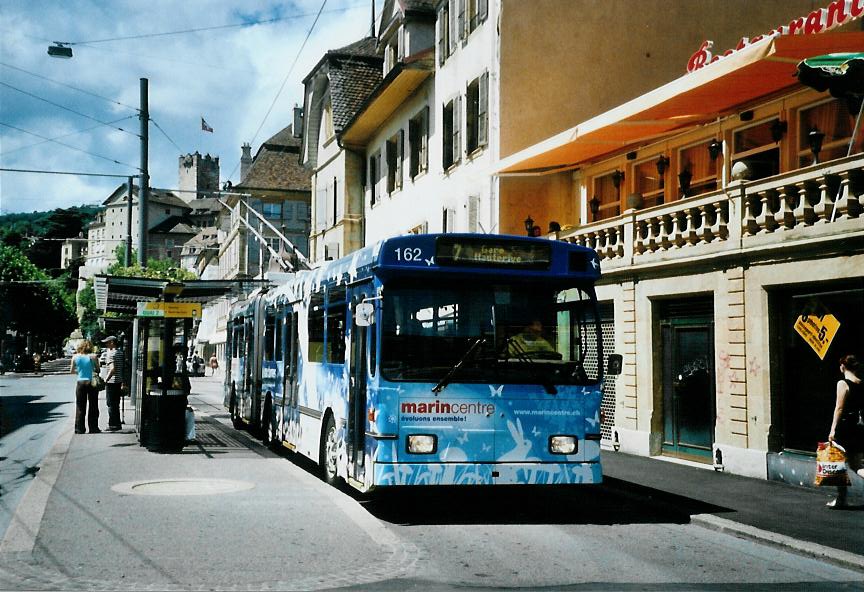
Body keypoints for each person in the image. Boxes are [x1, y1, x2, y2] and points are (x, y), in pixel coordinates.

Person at [827, 354, 864, 508]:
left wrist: (833, 429)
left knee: (838, 464)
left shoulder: (843, 383)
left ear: (843, 366)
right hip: (858, 427)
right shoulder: (861, 383)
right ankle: (840, 500)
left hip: (845, 427)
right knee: (857, 465)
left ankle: (841, 500)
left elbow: (839, 408)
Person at [70, 340, 100, 434]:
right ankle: (93, 428)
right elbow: (98, 370)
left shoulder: (75, 357)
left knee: (80, 405)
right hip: (91, 382)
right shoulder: (93, 357)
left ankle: (79, 428)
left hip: (80, 382)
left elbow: (71, 371)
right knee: (93, 405)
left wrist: (80, 372)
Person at [102, 336, 124, 431]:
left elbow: (112, 369)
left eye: (107, 343)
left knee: (110, 404)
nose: (106, 345)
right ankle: (117, 423)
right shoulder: (120, 352)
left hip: (112, 382)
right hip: (118, 381)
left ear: (112, 342)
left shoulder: (111, 354)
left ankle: (113, 425)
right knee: (116, 404)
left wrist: (106, 379)